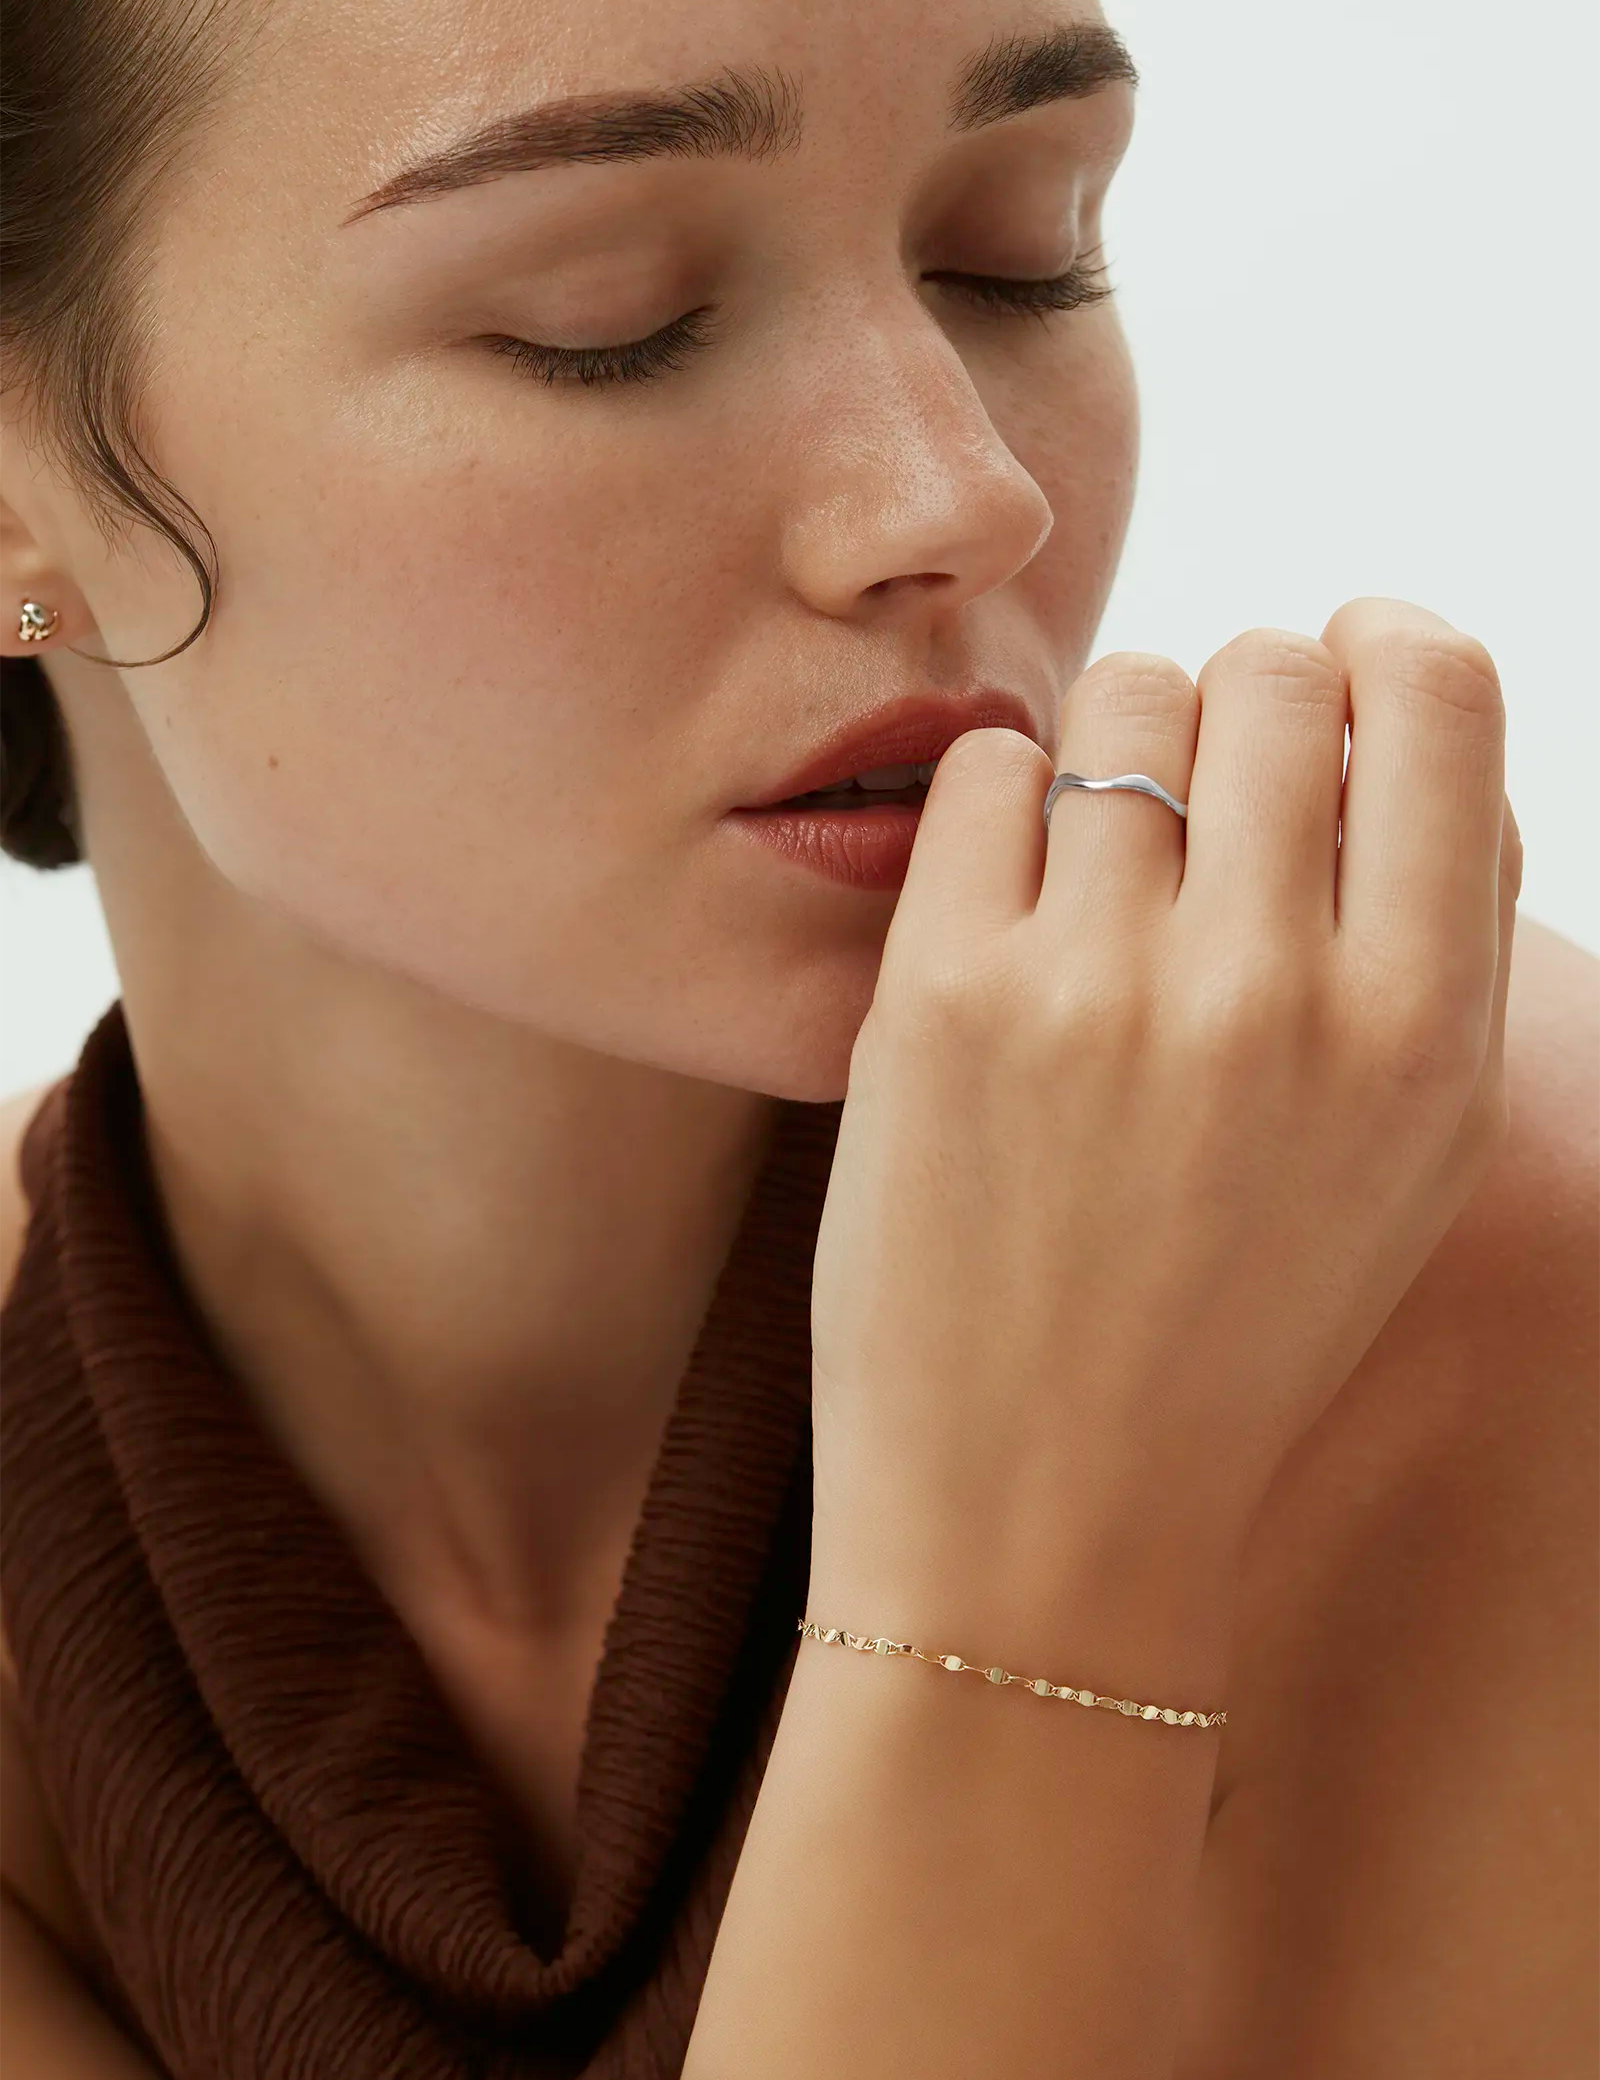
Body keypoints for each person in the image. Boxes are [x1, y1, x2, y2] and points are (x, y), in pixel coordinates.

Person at [0, 0, 1595, 2073]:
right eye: (606, 319)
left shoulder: (1491, 1262)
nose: (954, 494)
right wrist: (1035, 1557)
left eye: (1017, 248)